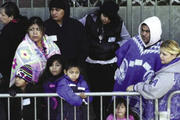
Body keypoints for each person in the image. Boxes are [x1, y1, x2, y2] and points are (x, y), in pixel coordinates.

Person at [79, 0, 130, 119]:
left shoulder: (118, 23)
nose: (106, 19)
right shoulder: (89, 19)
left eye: (109, 18)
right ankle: (98, 116)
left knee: (108, 95)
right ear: (100, 12)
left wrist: (116, 46)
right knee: (95, 95)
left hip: (109, 64)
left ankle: (108, 117)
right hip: (92, 63)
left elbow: (127, 39)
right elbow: (76, 29)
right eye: (104, 16)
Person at [126, 40, 180, 120]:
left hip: (165, 115)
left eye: (164, 54)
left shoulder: (170, 74)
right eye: (160, 53)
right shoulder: (171, 68)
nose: (161, 56)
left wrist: (135, 87)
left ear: (174, 55)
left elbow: (153, 90)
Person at [10, 16, 60, 87]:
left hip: (51, 84)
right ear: (27, 31)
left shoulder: (50, 44)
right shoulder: (23, 47)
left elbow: (59, 61)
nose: (35, 33)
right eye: (31, 29)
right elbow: (20, 71)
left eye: (38, 29)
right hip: (30, 87)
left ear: (43, 30)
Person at [0, 1, 28, 91]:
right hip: (25, 69)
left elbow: (4, 54)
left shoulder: (8, 31)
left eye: (3, 15)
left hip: (10, 71)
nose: (0, 17)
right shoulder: (24, 25)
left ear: (11, 17)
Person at [38, 54, 64, 120]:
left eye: (57, 65)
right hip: (47, 115)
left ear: (62, 66)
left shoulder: (67, 80)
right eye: (51, 65)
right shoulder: (43, 80)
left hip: (63, 114)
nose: (54, 68)